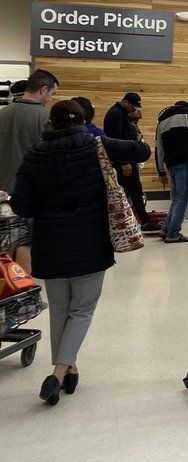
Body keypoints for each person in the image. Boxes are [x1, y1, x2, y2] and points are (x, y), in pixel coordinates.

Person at [10, 99, 150, 404]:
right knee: (81, 310)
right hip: (90, 243)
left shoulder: (35, 154)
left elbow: (21, 204)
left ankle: (68, 370)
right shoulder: (95, 145)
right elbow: (142, 151)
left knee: (60, 310)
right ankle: (59, 371)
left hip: (50, 245)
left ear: (51, 123)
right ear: (83, 122)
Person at [0, 69, 58, 273]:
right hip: (31, 192)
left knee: (5, 240)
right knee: (26, 241)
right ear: (43, 90)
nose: (50, 99)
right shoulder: (46, 117)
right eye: (51, 94)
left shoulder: (3, 113)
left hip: (2, 191)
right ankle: (23, 283)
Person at [103, 92, 161, 234]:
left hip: (128, 158)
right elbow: (117, 140)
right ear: (126, 102)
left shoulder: (121, 113)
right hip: (124, 160)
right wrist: (124, 162)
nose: (134, 110)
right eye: (133, 107)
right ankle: (144, 221)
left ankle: (131, 221)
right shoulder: (116, 114)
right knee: (135, 190)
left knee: (130, 191)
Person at [155, 100, 188, 243]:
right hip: (185, 162)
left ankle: (166, 229)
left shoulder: (161, 121)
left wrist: (161, 171)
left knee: (177, 198)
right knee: (182, 199)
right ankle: (173, 233)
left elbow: (158, 148)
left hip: (171, 164)